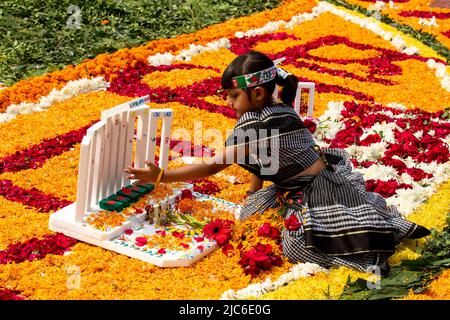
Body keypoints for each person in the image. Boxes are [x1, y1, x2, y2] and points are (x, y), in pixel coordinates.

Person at [125, 51, 430, 275]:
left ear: (257, 93)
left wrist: (162, 175)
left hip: (316, 190)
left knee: (297, 245)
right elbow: (263, 161)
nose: (229, 104)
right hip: (309, 178)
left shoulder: (255, 124)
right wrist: (254, 190)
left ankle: (367, 247)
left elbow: (213, 166)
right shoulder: (278, 108)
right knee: (251, 210)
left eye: (232, 97)